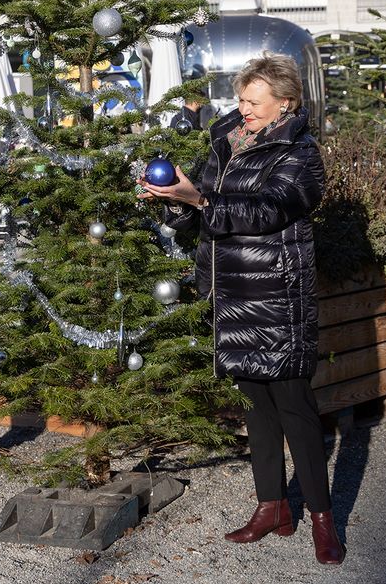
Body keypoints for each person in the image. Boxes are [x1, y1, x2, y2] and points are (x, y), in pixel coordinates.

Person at [138, 52, 344, 565]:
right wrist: (175, 201)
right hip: (230, 291)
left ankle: (322, 517)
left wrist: (202, 204)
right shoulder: (226, 140)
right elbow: (203, 209)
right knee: (255, 406)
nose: (243, 108)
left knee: (295, 408)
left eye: (254, 102)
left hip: (277, 293)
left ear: (285, 104)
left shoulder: (301, 153)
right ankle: (271, 506)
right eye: (240, 99)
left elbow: (267, 210)